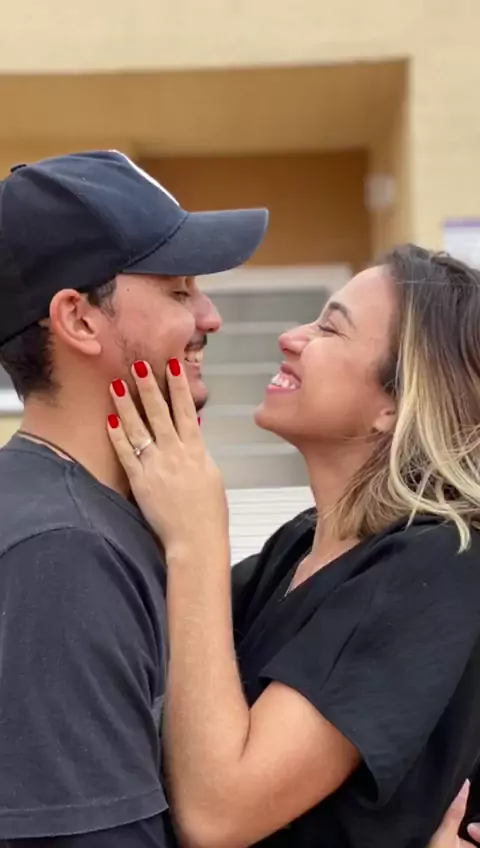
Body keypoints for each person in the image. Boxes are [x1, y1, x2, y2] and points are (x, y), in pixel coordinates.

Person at [107, 244, 480, 848]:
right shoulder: (299, 545)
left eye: (330, 329)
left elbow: (220, 814)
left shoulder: (439, 566)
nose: (290, 337)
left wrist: (197, 536)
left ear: (394, 403)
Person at [0, 149, 268, 846]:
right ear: (79, 320)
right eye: (179, 292)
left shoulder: (97, 517)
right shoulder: (62, 551)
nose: (210, 317)